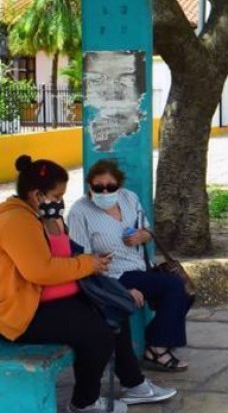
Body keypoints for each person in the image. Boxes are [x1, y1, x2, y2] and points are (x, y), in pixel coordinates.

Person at [2, 156, 176, 413]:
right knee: (98, 335)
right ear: (36, 194)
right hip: (22, 312)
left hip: (52, 298)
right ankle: (84, 402)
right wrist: (87, 263)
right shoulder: (17, 220)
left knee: (114, 310)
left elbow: (66, 255)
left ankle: (134, 384)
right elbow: (41, 270)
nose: (61, 200)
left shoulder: (39, 216)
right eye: (57, 194)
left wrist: (56, 226)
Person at [68, 159, 192, 374]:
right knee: (172, 286)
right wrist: (119, 289)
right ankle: (157, 348)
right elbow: (81, 257)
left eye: (111, 186)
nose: (105, 191)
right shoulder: (80, 211)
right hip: (113, 274)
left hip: (140, 266)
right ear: (90, 186)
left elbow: (147, 230)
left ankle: (160, 338)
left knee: (183, 289)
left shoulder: (129, 198)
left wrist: (141, 236)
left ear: (119, 185)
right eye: (98, 187)